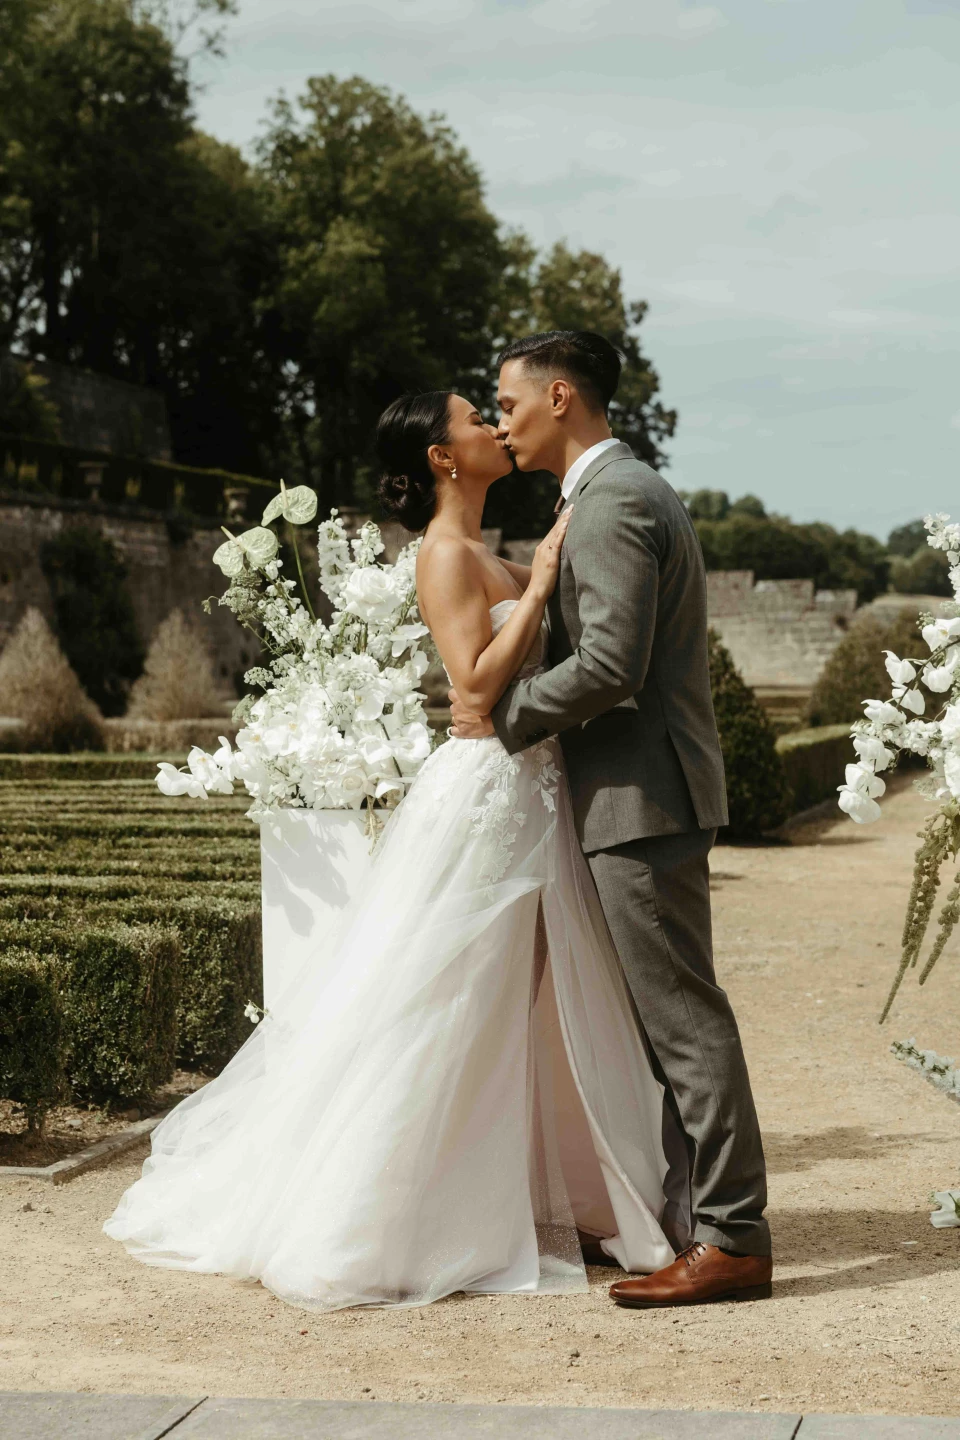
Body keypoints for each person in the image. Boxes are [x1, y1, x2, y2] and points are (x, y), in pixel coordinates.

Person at [103, 389, 679, 1313]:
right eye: (474, 418)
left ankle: (545, 1192)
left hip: (530, 789)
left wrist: (546, 570)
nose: (493, 425)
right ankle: (376, 1215)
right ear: (443, 458)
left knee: (525, 997)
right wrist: (537, 588)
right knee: (448, 992)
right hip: (488, 793)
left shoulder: (482, 550)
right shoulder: (444, 554)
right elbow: (475, 688)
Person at [449, 330, 772, 1309]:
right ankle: (690, 1220)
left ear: (560, 397)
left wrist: (503, 715)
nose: (503, 421)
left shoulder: (616, 499)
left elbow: (611, 665)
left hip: (642, 796)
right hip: (638, 792)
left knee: (683, 1020)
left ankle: (733, 1238)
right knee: (664, 1022)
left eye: (510, 402)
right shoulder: (604, 496)